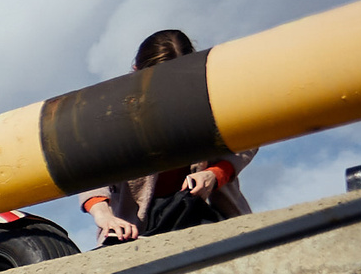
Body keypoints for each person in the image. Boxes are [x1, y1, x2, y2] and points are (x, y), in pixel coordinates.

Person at [80, 30, 258, 245]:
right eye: (157, 82)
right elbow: (89, 171)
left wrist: (215, 174)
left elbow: (247, 139)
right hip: (137, 228)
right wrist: (104, 216)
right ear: (136, 73)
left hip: (206, 215)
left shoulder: (208, 100)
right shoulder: (114, 117)